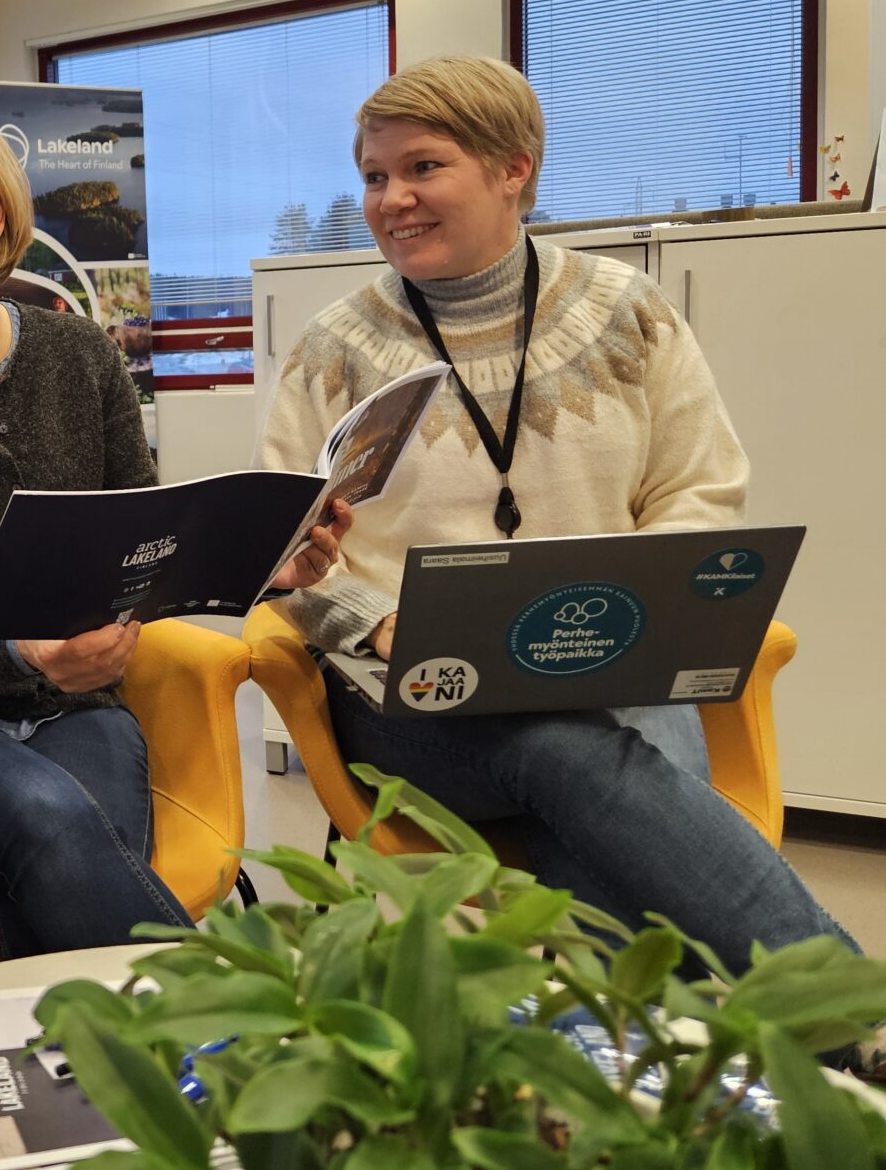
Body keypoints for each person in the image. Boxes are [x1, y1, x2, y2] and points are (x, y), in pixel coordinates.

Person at [256, 54, 866, 985]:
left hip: (614, 662)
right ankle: (840, 1004)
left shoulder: (632, 312)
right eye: (374, 176)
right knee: (571, 750)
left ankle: (643, 1074)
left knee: (595, 776)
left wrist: (646, 615)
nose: (392, 200)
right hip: (410, 691)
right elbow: (284, 546)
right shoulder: (332, 347)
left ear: (515, 167)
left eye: (424, 167)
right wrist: (372, 621)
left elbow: (698, 492)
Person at [0, 97, 349, 960]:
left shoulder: (81, 356)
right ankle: (243, 1049)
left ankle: (81, 1084)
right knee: (56, 819)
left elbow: (147, 534)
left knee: (63, 861)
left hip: (80, 708)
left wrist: (262, 567)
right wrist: (27, 651)